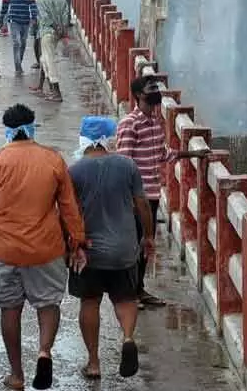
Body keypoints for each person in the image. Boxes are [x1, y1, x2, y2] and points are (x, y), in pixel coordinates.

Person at [0, 104, 88, 391]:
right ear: (32, 126)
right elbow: (70, 207)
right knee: (48, 304)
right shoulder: (53, 160)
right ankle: (44, 351)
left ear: (6, 130)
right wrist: (78, 243)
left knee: (10, 309)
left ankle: (17, 374)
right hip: (47, 248)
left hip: (7, 250)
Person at [69, 116, 154, 381]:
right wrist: (148, 237)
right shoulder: (127, 165)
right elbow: (141, 204)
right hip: (124, 249)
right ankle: (128, 338)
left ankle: (93, 363)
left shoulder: (74, 171)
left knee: (90, 302)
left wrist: (71, 246)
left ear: (84, 138)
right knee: (125, 300)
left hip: (89, 251)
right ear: (108, 138)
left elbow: (69, 212)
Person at [117, 76, 208, 308]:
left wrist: (193, 155)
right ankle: (129, 294)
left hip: (153, 196)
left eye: (156, 88)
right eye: (151, 89)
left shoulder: (155, 122)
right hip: (137, 199)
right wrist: (127, 198)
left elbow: (163, 154)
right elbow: (124, 162)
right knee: (133, 246)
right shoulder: (130, 124)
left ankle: (139, 290)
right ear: (139, 95)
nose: (156, 92)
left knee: (146, 244)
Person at [33, 0, 71, 102]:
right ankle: (50, 89)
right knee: (43, 59)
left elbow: (44, 16)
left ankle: (57, 92)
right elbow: (66, 13)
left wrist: (56, 27)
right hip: (58, 32)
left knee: (49, 60)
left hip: (47, 31)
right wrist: (63, 29)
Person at [0, 0, 38, 75]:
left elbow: (32, 4)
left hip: (26, 20)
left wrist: (34, 18)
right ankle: (18, 67)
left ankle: (19, 62)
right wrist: (1, 20)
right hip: (14, 20)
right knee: (17, 43)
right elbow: (5, 5)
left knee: (23, 43)